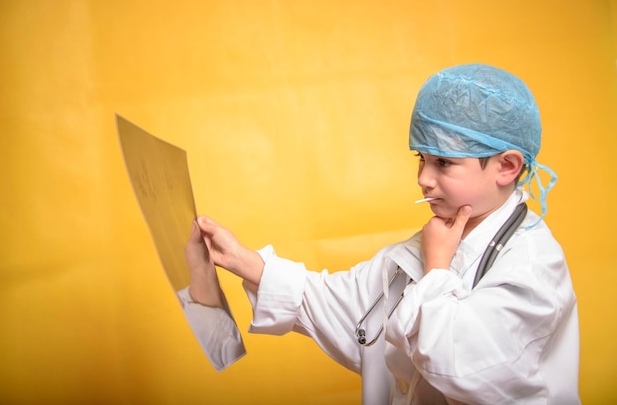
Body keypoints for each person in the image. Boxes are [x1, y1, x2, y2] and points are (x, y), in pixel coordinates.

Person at [184, 63, 580, 404]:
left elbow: (459, 367)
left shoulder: (532, 268)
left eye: (443, 162)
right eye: (421, 158)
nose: (424, 178)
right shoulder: (418, 250)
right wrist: (242, 260)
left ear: (507, 166)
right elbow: (341, 305)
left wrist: (438, 269)